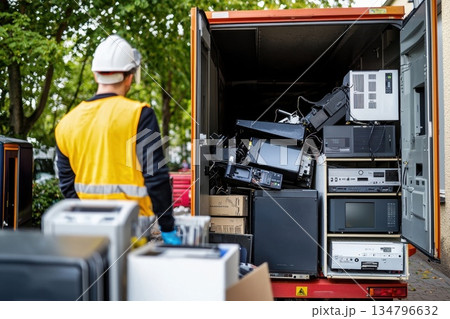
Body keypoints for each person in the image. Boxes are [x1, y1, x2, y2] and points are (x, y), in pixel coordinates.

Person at [55, 34, 180, 245]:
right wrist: (167, 227)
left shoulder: (66, 123)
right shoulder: (140, 114)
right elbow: (156, 176)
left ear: (95, 75)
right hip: (133, 235)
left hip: (88, 235)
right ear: (130, 77)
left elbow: (67, 186)